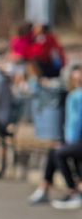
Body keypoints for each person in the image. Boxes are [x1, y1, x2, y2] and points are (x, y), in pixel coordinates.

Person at [29, 65, 82, 209]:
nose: (77, 81)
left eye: (80, 78)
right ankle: (44, 188)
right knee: (54, 151)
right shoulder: (73, 94)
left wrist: (69, 141)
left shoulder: (78, 96)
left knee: (59, 153)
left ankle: (74, 191)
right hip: (73, 139)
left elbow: (77, 121)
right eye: (75, 78)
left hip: (78, 140)